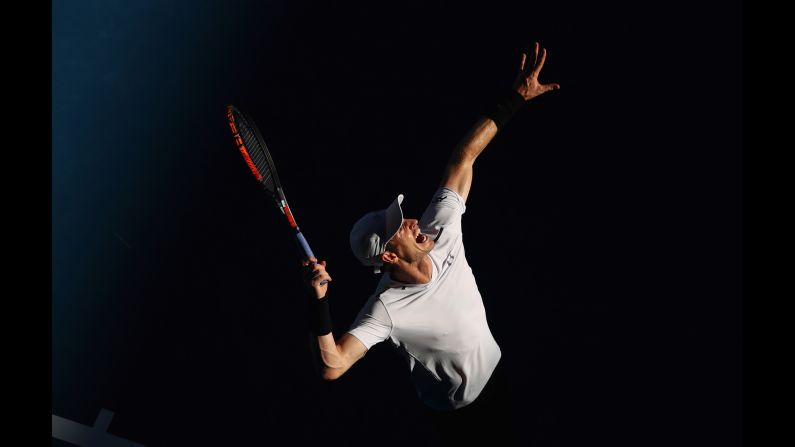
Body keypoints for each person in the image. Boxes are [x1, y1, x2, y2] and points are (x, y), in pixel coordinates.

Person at [302, 42, 560, 442]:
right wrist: (318, 301)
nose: (408, 220)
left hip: (498, 377)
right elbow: (333, 365)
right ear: (388, 255)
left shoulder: (439, 228)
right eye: (398, 227)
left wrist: (516, 97)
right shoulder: (386, 308)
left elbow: (463, 159)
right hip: (461, 419)